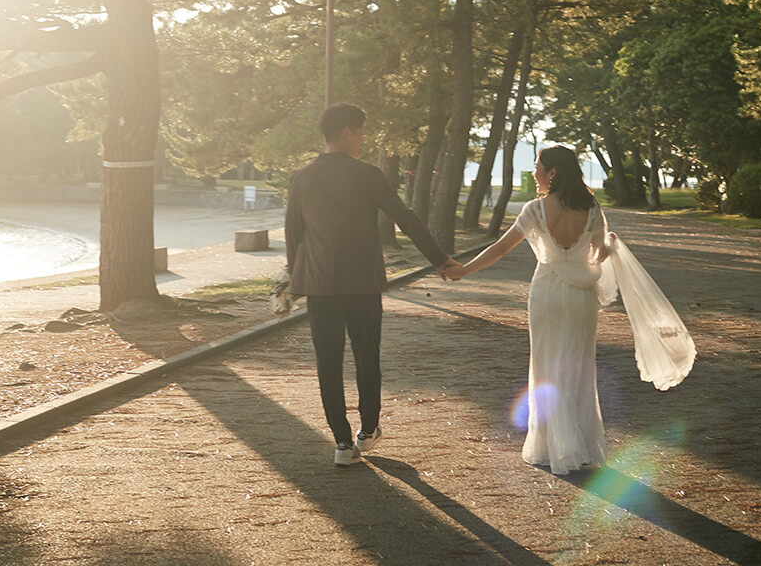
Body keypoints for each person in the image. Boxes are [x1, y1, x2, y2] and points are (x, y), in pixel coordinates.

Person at [443, 145, 695, 474]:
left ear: (553, 173)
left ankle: (553, 446)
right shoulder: (591, 209)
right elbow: (599, 255)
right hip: (580, 296)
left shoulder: (535, 210)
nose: (534, 172)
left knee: (546, 367)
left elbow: (501, 249)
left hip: (546, 291)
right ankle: (582, 445)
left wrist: (462, 270)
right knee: (578, 367)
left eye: (538, 166)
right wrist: (610, 244)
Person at [286, 103, 462, 467]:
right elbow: (404, 217)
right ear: (347, 132)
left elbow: (294, 234)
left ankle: (341, 443)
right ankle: (368, 432)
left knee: (328, 364)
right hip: (362, 283)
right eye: (361, 132)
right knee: (367, 356)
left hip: (319, 285)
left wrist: (294, 279)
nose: (363, 139)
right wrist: (440, 260)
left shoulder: (301, 178)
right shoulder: (366, 174)